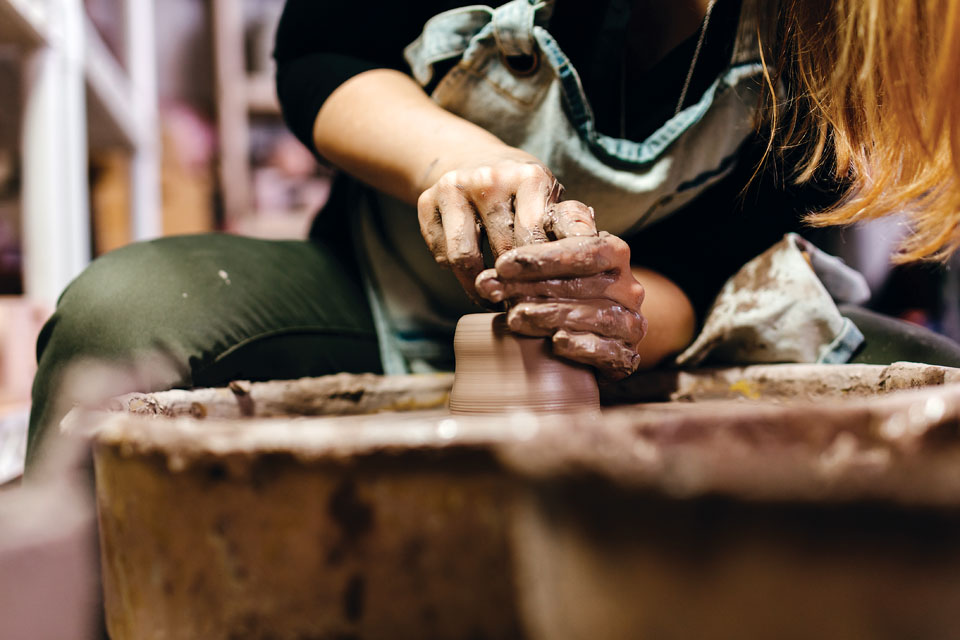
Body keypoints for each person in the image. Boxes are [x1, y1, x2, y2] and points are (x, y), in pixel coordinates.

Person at [25, 0, 960, 462]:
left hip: (674, 329)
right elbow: (320, 51)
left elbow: (731, 262)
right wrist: (449, 158)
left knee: (940, 403)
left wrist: (622, 310)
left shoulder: (857, 33)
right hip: (381, 287)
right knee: (123, 311)